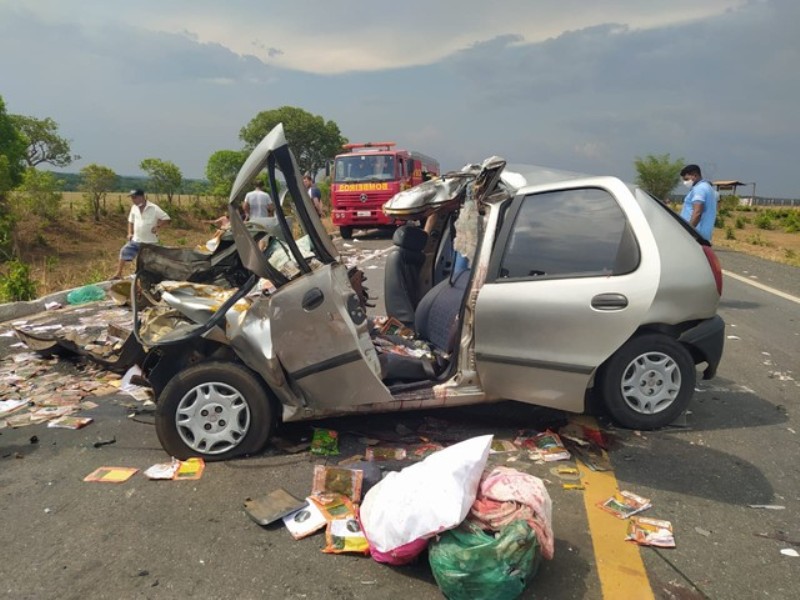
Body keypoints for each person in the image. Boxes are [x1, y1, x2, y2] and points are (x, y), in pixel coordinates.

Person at [111, 189, 170, 279]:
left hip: (150, 242)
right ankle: (118, 274)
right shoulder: (134, 208)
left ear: (142, 197)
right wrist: (129, 233)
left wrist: (158, 226)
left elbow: (166, 218)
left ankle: (152, 277)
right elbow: (130, 221)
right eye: (132, 198)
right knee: (124, 251)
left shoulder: (154, 208)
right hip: (136, 240)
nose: (133, 200)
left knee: (150, 263)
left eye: (135, 197)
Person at [679, 164, 718, 242]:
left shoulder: (699, 189)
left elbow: (697, 213)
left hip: (696, 235)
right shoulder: (707, 187)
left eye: (686, 179)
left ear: (695, 175)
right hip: (702, 235)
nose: (685, 182)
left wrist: (688, 233)